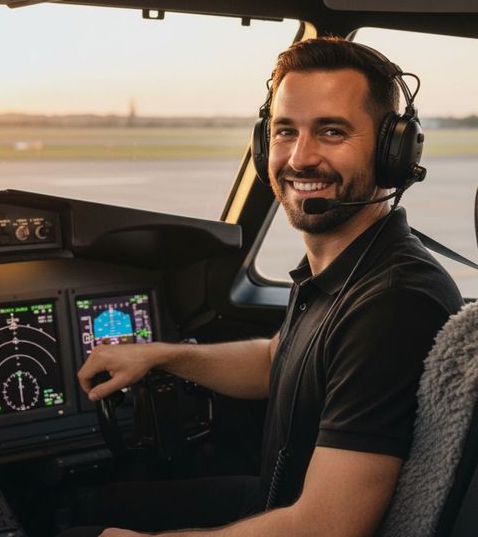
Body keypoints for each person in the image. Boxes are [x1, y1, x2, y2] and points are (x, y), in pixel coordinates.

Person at [70, 38, 464, 537]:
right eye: (284, 131)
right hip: (277, 499)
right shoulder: (342, 263)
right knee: (96, 507)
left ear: (392, 153)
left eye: (332, 131)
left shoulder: (392, 304)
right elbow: (276, 360)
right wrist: (159, 355)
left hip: (302, 520)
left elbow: (325, 527)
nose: (300, 158)